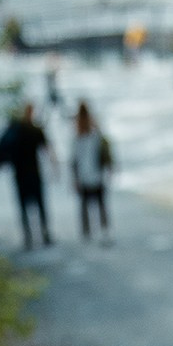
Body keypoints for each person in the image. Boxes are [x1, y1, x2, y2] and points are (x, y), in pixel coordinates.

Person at [0, 102, 55, 249]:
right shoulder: (34, 130)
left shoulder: (15, 130)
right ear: (32, 112)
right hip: (34, 173)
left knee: (23, 206)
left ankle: (28, 237)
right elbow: (46, 148)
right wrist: (55, 166)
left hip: (19, 174)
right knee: (39, 204)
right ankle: (44, 234)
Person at [71, 102, 113, 242]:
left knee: (87, 204)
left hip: (88, 173)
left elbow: (74, 160)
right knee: (98, 203)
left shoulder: (81, 136)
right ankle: (101, 230)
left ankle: (88, 231)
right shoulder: (90, 135)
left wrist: (74, 177)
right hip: (93, 173)